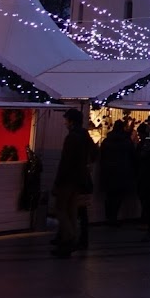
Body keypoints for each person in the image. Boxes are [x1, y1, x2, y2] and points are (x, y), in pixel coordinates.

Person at [51, 108, 95, 258]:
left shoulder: (71, 138)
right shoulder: (84, 135)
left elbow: (66, 162)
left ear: (71, 121)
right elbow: (95, 153)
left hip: (68, 179)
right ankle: (69, 239)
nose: (64, 123)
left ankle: (69, 237)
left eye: (66, 120)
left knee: (60, 209)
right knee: (72, 210)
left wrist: (58, 181)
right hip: (80, 180)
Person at [97, 120, 137, 226]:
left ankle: (109, 217)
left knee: (109, 196)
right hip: (122, 172)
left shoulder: (106, 141)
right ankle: (114, 217)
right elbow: (133, 156)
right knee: (118, 197)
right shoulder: (126, 142)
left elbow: (101, 156)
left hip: (108, 172)